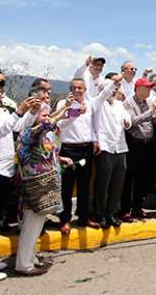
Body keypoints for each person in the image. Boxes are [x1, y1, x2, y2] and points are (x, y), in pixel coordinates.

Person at [14, 100, 73, 276]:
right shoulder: (28, 132)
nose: (47, 118)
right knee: (31, 225)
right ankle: (23, 264)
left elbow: (47, 152)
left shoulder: (42, 135)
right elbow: (43, 128)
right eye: (44, 114)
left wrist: (60, 159)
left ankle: (30, 258)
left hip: (44, 185)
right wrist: (58, 115)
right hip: (34, 186)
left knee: (37, 223)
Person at [56, 78, 100, 233]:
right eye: (74, 87)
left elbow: (92, 126)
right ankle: (65, 219)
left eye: (80, 88)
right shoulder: (63, 104)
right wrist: (75, 112)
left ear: (85, 89)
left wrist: (95, 141)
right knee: (66, 187)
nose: (77, 90)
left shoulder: (89, 104)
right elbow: (59, 124)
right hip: (68, 150)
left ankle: (83, 217)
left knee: (84, 186)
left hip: (85, 149)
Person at [0, 82, 37, 234]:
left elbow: (17, 127)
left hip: (7, 167)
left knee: (3, 203)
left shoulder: (3, 113)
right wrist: (18, 112)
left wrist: (31, 112)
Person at [92, 73, 131, 228]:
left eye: (115, 89)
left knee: (117, 183)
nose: (114, 92)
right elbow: (105, 93)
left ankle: (111, 213)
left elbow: (127, 119)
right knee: (103, 183)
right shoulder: (97, 102)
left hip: (120, 147)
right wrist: (114, 82)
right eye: (111, 89)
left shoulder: (119, 105)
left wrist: (127, 122)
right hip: (105, 147)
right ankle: (99, 214)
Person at [122, 78, 156, 221]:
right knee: (130, 178)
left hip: (148, 144)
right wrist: (150, 112)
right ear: (138, 88)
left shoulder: (148, 103)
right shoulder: (128, 102)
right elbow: (132, 122)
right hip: (134, 144)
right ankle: (125, 210)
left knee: (143, 178)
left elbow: (154, 121)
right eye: (147, 88)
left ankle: (137, 208)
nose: (149, 91)